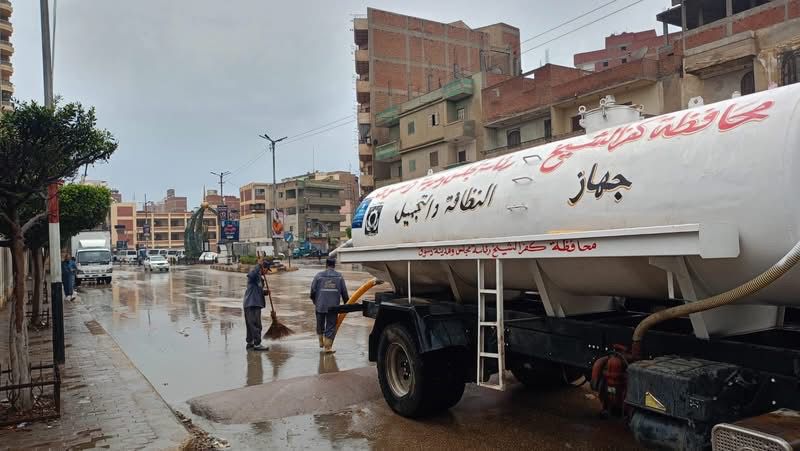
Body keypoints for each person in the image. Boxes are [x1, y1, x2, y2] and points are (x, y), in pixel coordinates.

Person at [310, 257, 349, 354]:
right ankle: (327, 347)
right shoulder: (339, 277)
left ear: (326, 265)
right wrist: (347, 304)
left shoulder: (318, 276)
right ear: (334, 265)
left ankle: (320, 341)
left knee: (320, 323)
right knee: (331, 325)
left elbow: (313, 291)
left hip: (320, 305)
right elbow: (344, 293)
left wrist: (315, 301)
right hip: (333, 306)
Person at [243, 260, 271, 351]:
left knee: (251, 324)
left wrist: (265, 292)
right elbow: (250, 275)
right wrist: (258, 265)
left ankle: (250, 342)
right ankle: (257, 344)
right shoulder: (254, 275)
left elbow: (256, 290)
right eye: (267, 269)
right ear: (263, 268)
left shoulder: (260, 279)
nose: (267, 272)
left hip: (254, 303)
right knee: (256, 324)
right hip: (252, 303)